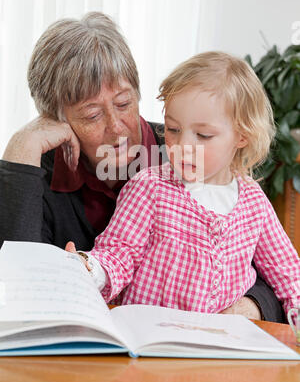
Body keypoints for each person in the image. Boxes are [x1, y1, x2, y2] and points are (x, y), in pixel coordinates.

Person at [0, 12, 283, 321]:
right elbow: (14, 288)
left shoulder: (197, 152)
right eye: (92, 114)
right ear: (57, 118)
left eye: (124, 104)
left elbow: (270, 270)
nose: (118, 128)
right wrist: (21, 148)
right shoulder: (38, 172)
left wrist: (250, 307)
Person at [67, 51, 300, 319]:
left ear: (242, 137)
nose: (182, 146)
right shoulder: (149, 188)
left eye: (203, 135)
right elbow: (119, 254)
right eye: (174, 129)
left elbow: (289, 274)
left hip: (220, 348)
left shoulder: (254, 203)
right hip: (148, 342)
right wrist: (88, 269)